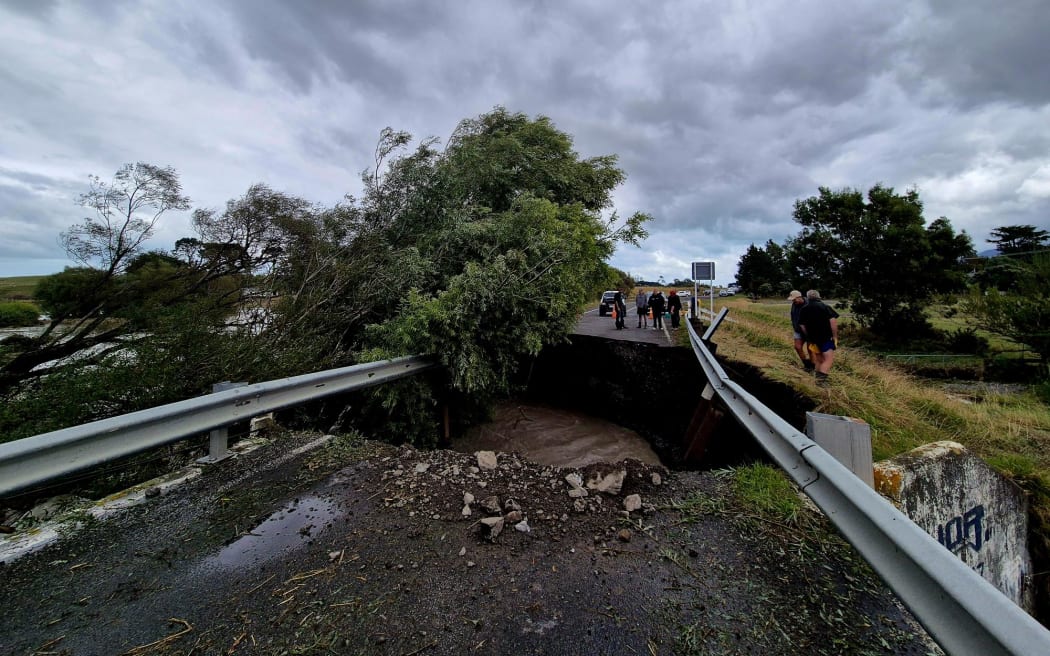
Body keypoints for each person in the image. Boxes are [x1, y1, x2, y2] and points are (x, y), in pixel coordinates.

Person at [797, 289, 840, 385]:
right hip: (825, 337)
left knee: (819, 360)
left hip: (813, 339)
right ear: (818, 296)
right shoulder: (825, 307)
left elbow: (802, 325)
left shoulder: (804, 309)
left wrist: (808, 336)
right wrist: (835, 336)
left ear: (808, 297)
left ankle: (816, 380)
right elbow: (833, 322)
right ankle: (821, 382)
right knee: (828, 360)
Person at [787, 290, 814, 371]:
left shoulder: (809, 304)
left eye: (794, 299)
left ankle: (813, 366)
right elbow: (793, 316)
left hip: (810, 331)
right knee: (797, 347)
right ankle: (807, 365)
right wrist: (795, 326)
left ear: (799, 297)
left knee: (810, 349)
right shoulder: (794, 304)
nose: (793, 301)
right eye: (792, 300)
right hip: (798, 330)